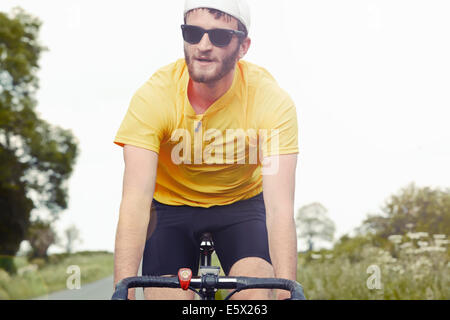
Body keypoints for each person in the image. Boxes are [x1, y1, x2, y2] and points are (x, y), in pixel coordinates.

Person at [113, 0, 299, 300]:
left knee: (255, 296)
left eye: (220, 36)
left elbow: (279, 209)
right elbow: (134, 203)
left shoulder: (271, 101)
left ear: (243, 46)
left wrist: (286, 293)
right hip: (170, 207)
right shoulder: (154, 96)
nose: (203, 45)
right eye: (193, 32)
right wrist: (122, 292)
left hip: (240, 205)